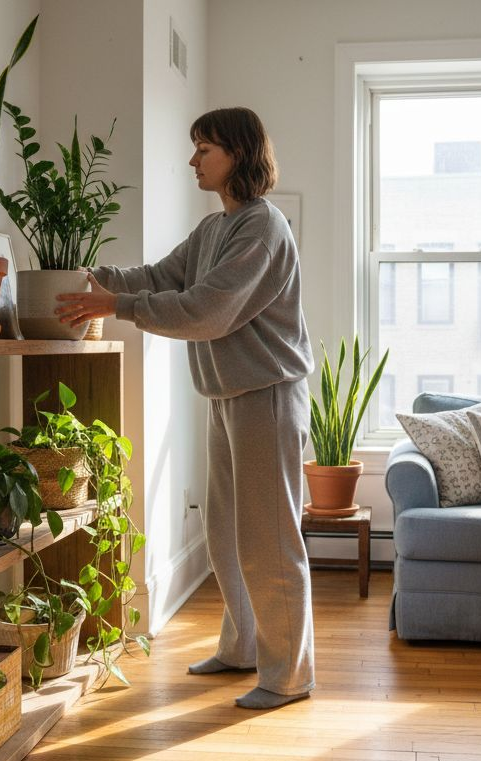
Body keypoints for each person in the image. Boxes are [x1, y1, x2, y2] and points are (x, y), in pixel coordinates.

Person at [54, 107, 315, 709]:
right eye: (195, 148)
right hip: (228, 396)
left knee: (271, 541)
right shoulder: (212, 230)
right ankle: (244, 646)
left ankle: (289, 675)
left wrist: (113, 308)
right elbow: (159, 276)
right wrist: (87, 278)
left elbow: (206, 308)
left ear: (239, 155)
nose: (193, 160)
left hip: (267, 394)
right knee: (226, 533)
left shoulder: (263, 228)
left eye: (204, 149)